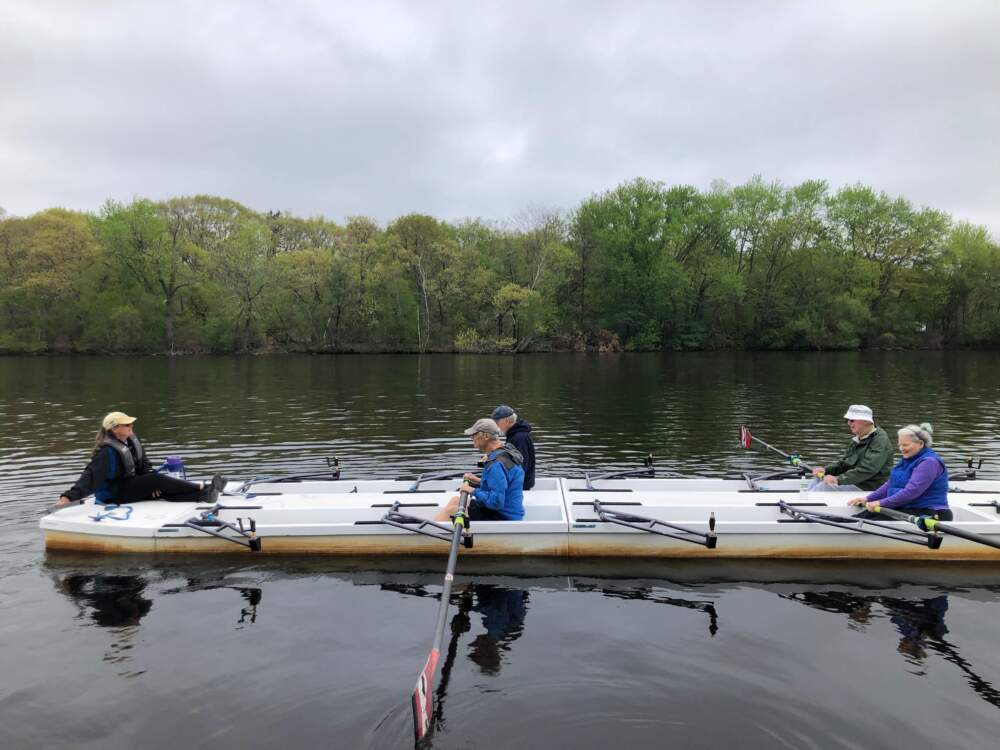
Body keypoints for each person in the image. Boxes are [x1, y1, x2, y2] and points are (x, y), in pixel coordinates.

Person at [56, 411, 223, 507]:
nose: (131, 427)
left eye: (131, 424)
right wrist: (68, 497)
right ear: (114, 429)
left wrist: (150, 484)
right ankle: (202, 488)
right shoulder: (106, 453)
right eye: (127, 425)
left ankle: (202, 496)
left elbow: (145, 466)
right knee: (156, 481)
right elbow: (89, 478)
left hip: (130, 485)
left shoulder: (131, 441)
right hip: (114, 494)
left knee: (160, 489)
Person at [848, 423, 952, 521]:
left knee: (867, 519)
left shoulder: (929, 463)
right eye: (900, 445)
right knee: (862, 516)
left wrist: (880, 503)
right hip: (909, 508)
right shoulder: (908, 459)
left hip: (931, 513)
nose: (901, 449)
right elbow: (890, 484)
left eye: (905, 445)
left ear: (920, 444)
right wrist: (867, 499)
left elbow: (911, 492)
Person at [435, 418, 525, 521]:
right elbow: (505, 483)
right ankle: (433, 525)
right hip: (509, 511)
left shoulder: (496, 464)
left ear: (486, 436)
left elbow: (496, 502)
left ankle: (427, 533)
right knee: (456, 500)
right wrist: (479, 481)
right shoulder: (507, 451)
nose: (471, 437)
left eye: (474, 434)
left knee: (452, 510)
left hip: (502, 516)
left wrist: (472, 490)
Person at [813, 404, 893, 491]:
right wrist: (826, 470)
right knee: (818, 479)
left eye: (852, 420)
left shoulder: (880, 440)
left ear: (866, 421)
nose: (848, 423)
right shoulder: (857, 439)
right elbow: (845, 464)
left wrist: (838, 479)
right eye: (848, 420)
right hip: (855, 482)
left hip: (869, 487)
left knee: (824, 486)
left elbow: (868, 469)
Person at [491, 404, 536, 491]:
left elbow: (521, 467)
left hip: (520, 487)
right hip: (518, 483)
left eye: (497, 422)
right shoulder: (514, 434)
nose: (496, 426)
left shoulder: (519, 438)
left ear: (507, 421)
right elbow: (512, 459)